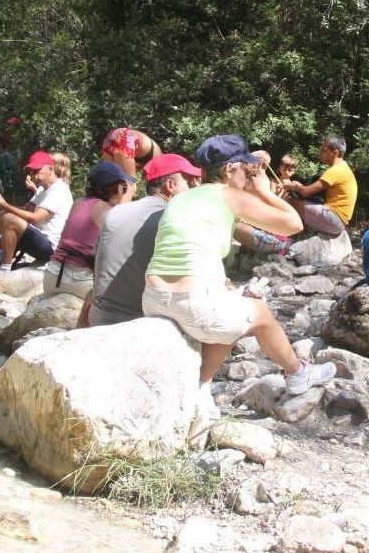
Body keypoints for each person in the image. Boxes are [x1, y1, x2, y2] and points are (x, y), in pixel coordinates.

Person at [143, 134, 338, 406]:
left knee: (232, 306)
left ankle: (201, 386)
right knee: (260, 313)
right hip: (191, 302)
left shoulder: (180, 198)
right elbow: (294, 224)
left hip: (153, 298)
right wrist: (263, 192)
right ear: (229, 170)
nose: (249, 176)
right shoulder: (230, 196)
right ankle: (298, 374)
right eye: (246, 170)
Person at [86, 154, 202, 328]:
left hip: (99, 318)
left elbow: (96, 265)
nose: (193, 188)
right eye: (188, 183)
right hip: (137, 323)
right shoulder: (172, 220)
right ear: (170, 186)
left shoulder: (116, 212)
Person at [43, 161, 136, 300]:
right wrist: (126, 201)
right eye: (123, 186)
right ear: (116, 188)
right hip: (80, 280)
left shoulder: (78, 202)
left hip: (52, 275)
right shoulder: (110, 212)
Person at [0, 151, 72, 275]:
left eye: (37, 171)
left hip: (49, 246)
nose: (34, 176)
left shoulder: (59, 190)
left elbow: (34, 218)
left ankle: (4, 270)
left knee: (9, 218)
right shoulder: (42, 188)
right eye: (32, 172)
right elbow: (27, 211)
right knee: (1, 214)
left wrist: (3, 204)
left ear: (51, 169)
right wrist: (0, 204)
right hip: (36, 235)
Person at [278, 135, 357, 236]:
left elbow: (306, 192)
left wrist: (291, 186)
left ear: (335, 153)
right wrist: (298, 186)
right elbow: (311, 192)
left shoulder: (336, 170)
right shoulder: (342, 168)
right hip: (337, 220)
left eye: (324, 149)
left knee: (289, 199)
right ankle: (295, 234)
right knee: (296, 200)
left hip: (334, 219)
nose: (320, 152)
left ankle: (278, 231)